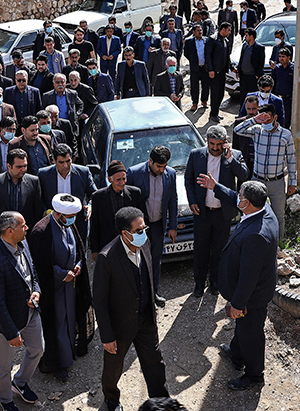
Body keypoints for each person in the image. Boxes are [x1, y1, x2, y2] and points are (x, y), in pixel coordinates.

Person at [93, 206, 169, 411]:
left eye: (144, 228)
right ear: (125, 233)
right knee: (113, 368)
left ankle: (162, 402)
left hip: (145, 319)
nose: (143, 233)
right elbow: (99, 300)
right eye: (138, 230)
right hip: (120, 326)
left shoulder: (143, 244)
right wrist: (107, 336)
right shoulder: (107, 258)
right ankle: (111, 400)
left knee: (155, 363)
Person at [209, 181, 278, 390]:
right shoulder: (264, 209)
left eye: (240, 195)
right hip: (253, 291)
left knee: (251, 333)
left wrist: (238, 304)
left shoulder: (256, 235)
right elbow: (234, 199)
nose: (237, 197)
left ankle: (255, 375)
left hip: (252, 297)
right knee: (243, 328)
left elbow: (249, 276)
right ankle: (237, 353)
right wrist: (216, 187)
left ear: (247, 203)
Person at [0, 211, 44, 411]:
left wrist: (36, 290)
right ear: (10, 231)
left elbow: (32, 270)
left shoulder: (23, 243)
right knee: (4, 365)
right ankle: (5, 400)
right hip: (8, 324)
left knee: (38, 349)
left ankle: (20, 382)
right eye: (23, 226)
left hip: (30, 313)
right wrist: (11, 333)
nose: (27, 228)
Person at [28, 194, 92, 381]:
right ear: (58, 213)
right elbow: (41, 264)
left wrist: (78, 264)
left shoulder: (67, 224)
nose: (73, 220)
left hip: (70, 287)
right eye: (70, 216)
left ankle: (71, 351)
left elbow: (77, 249)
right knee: (57, 324)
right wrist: (62, 274)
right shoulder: (41, 231)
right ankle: (59, 363)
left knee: (70, 320)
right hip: (53, 290)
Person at [185, 125, 248, 298]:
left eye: (219, 145)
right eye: (212, 144)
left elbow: (243, 176)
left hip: (223, 213)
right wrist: (192, 202)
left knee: (219, 250)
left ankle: (215, 282)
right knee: (201, 250)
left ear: (225, 143)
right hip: (202, 212)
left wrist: (230, 160)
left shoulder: (234, 155)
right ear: (207, 141)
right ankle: (199, 284)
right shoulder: (196, 155)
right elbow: (188, 180)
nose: (215, 148)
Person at [233, 104, 297, 231]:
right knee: (252, 214)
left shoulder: (285, 134)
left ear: (275, 117)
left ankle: (278, 245)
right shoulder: (257, 130)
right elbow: (237, 130)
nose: (265, 122)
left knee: (278, 216)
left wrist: (292, 182)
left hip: (276, 183)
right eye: (263, 119)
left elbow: (291, 159)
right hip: (257, 181)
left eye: (268, 119)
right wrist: (254, 120)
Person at [126, 146, 177, 306]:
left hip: (158, 226)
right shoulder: (134, 173)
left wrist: (173, 226)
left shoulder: (171, 174)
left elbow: (172, 200)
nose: (161, 170)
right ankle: (139, 297)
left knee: (155, 261)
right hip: (139, 228)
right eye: (158, 166)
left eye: (164, 167)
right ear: (150, 161)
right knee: (138, 261)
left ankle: (153, 294)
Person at [0, 150, 45, 249]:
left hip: (26, 236)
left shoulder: (33, 182)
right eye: (19, 167)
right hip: (2, 236)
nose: (23, 169)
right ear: (9, 166)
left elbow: (37, 210)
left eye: (25, 166)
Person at [38, 144, 96, 248]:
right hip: (54, 221)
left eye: (68, 161)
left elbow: (94, 194)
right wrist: (46, 212)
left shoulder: (83, 172)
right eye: (61, 162)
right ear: (54, 160)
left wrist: (90, 205)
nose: (65, 165)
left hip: (78, 222)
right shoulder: (44, 174)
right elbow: (38, 198)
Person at [89, 161, 146, 259]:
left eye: (124, 179)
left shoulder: (135, 193)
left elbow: (144, 219)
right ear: (110, 180)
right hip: (108, 246)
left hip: (131, 244)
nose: (122, 182)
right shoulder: (98, 197)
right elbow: (95, 225)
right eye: (118, 180)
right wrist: (95, 250)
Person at [184, 24, 214, 112]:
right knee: (194, 86)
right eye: (198, 30)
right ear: (193, 32)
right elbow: (186, 53)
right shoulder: (189, 41)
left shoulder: (206, 40)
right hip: (195, 68)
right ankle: (194, 103)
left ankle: (204, 101)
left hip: (205, 68)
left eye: (200, 30)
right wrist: (193, 60)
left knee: (205, 85)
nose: (200, 32)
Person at [208, 22, 232, 121]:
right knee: (215, 93)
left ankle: (216, 112)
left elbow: (227, 56)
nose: (230, 32)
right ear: (223, 29)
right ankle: (213, 114)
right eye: (229, 30)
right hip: (214, 72)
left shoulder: (225, 40)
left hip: (222, 71)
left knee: (221, 93)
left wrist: (231, 67)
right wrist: (210, 69)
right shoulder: (213, 39)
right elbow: (208, 56)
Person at [231, 97, 260, 178]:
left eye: (254, 109)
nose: (251, 112)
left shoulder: (263, 124)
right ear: (245, 108)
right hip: (244, 162)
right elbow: (235, 145)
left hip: (258, 164)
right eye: (249, 109)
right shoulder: (239, 123)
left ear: (258, 107)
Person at [270, 48, 295, 129]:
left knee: (287, 118)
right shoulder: (277, 68)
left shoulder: (293, 69)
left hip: (288, 99)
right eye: (280, 56)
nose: (281, 58)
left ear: (289, 57)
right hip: (278, 98)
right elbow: (273, 82)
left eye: (283, 56)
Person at [237, 28, 265, 100]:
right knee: (243, 96)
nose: (245, 37)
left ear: (251, 36)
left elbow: (261, 62)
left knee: (253, 97)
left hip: (252, 77)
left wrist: (257, 75)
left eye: (246, 35)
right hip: (243, 76)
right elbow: (241, 59)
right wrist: (238, 70)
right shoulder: (244, 46)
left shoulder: (259, 48)